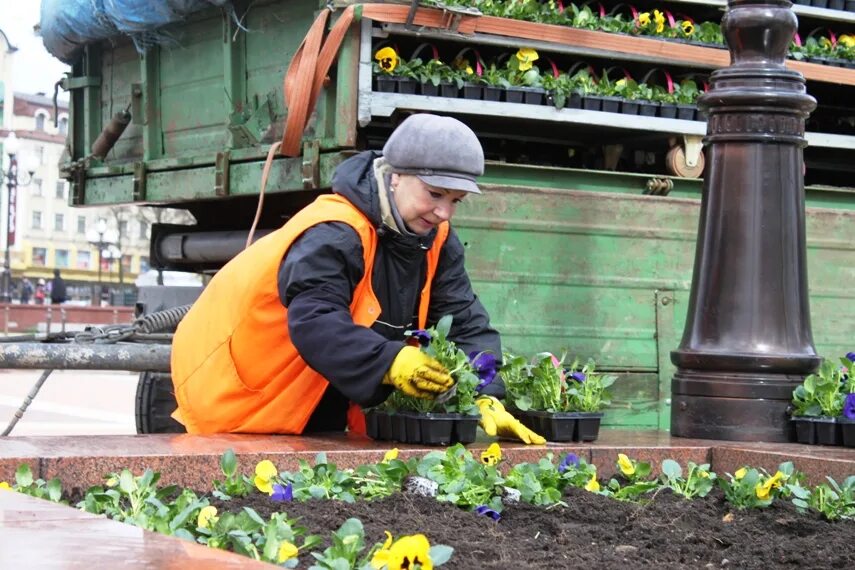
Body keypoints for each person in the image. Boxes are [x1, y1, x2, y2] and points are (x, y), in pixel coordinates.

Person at [171, 113, 544, 444]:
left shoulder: (435, 241)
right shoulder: (336, 230)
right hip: (247, 401)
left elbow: (465, 320)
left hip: (316, 396)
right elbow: (316, 322)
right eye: (435, 194)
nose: (444, 212)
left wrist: (486, 392)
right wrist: (389, 362)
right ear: (396, 176)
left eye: (456, 200)